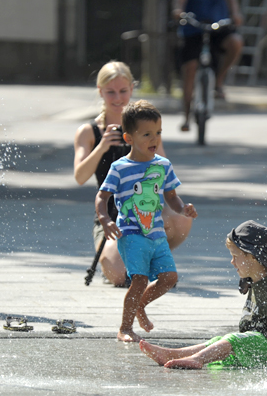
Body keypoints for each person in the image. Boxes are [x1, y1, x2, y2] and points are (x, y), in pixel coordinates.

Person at [74, 61, 193, 287]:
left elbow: (163, 170)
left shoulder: (145, 127)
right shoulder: (89, 131)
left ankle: (153, 254)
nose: (117, 98)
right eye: (110, 92)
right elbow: (79, 177)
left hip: (146, 210)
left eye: (123, 91)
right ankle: (130, 259)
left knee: (181, 218)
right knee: (119, 275)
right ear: (100, 92)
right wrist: (102, 147)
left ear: (132, 88)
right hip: (112, 218)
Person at [140, 220, 267, 369]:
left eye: (235, 256)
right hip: (255, 347)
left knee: (232, 339)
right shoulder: (255, 281)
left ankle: (196, 359)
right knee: (218, 341)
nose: (232, 261)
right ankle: (172, 354)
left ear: (253, 257)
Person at [96, 100, 198, 342]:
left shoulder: (163, 166)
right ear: (129, 138)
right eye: (147, 134)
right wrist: (104, 219)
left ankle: (139, 307)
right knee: (139, 279)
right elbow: (102, 196)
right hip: (130, 233)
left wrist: (183, 209)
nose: (155, 139)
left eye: (159, 133)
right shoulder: (120, 168)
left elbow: (171, 196)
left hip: (157, 233)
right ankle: (125, 328)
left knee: (169, 278)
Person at [173, 0, 244, 132]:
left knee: (236, 42)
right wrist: (178, 10)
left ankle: (219, 81)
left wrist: (235, 13)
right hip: (193, 28)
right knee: (190, 69)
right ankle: (186, 117)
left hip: (218, 26)